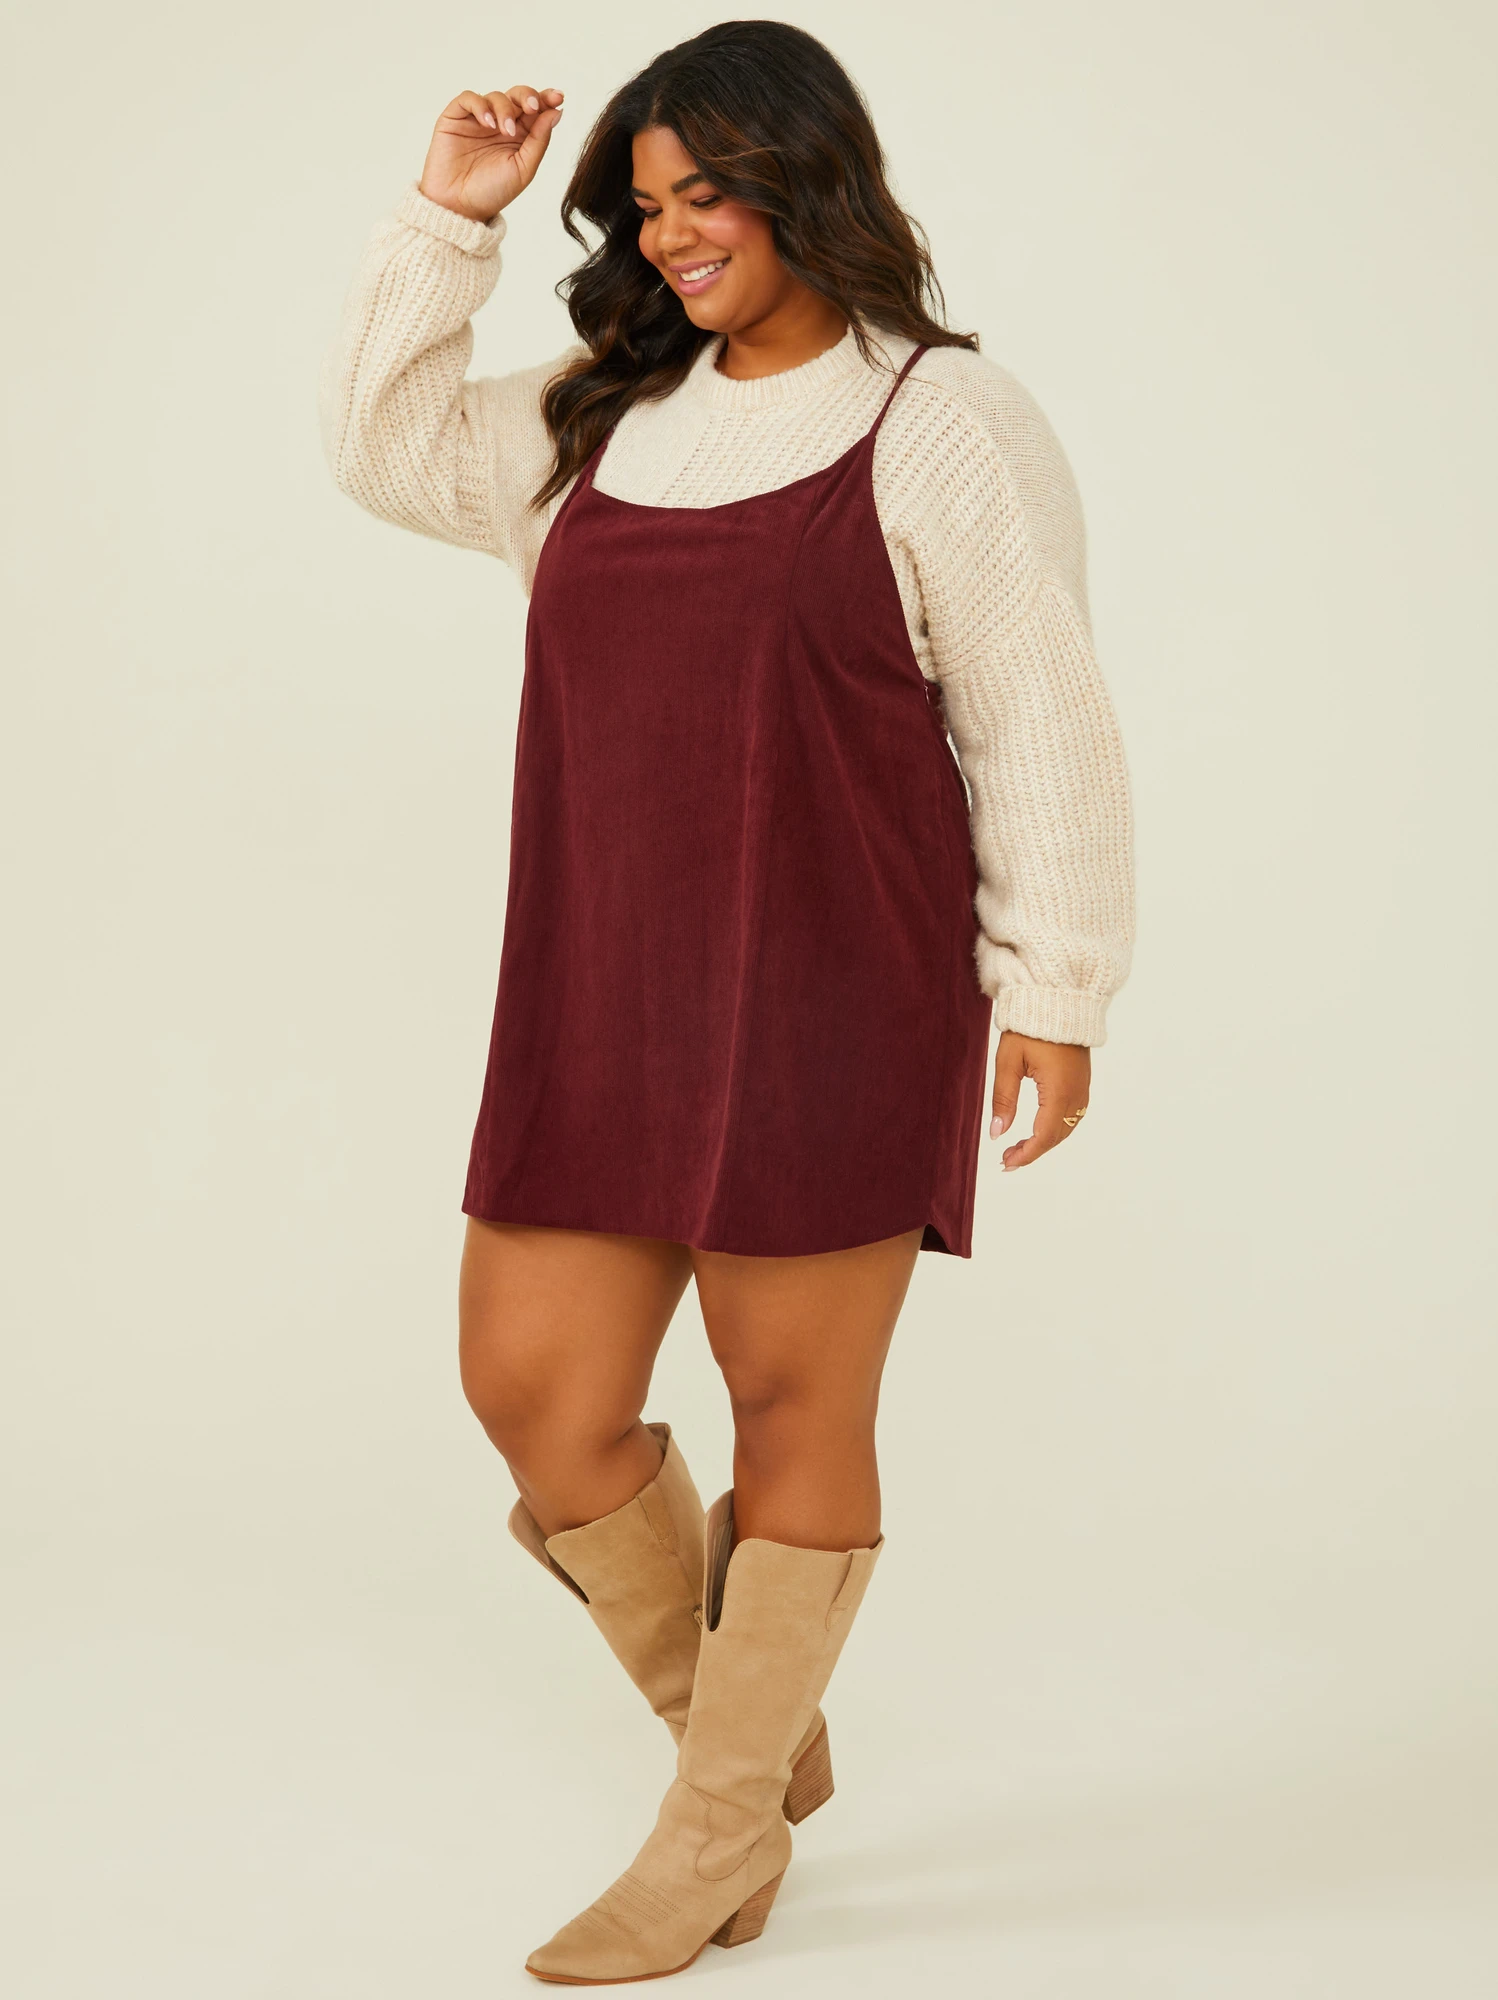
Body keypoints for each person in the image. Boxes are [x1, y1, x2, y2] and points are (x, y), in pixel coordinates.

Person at [320, 20, 1134, 1983]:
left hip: (840, 988)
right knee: (533, 1390)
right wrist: (448, 220)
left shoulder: (939, 416)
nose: (675, 233)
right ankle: (744, 1752)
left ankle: (704, 1840)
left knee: (792, 1405)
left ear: (804, 182)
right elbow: (381, 449)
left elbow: (1035, 704)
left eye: (709, 193)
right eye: (647, 203)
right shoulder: (603, 416)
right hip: (600, 981)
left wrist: (1055, 981)